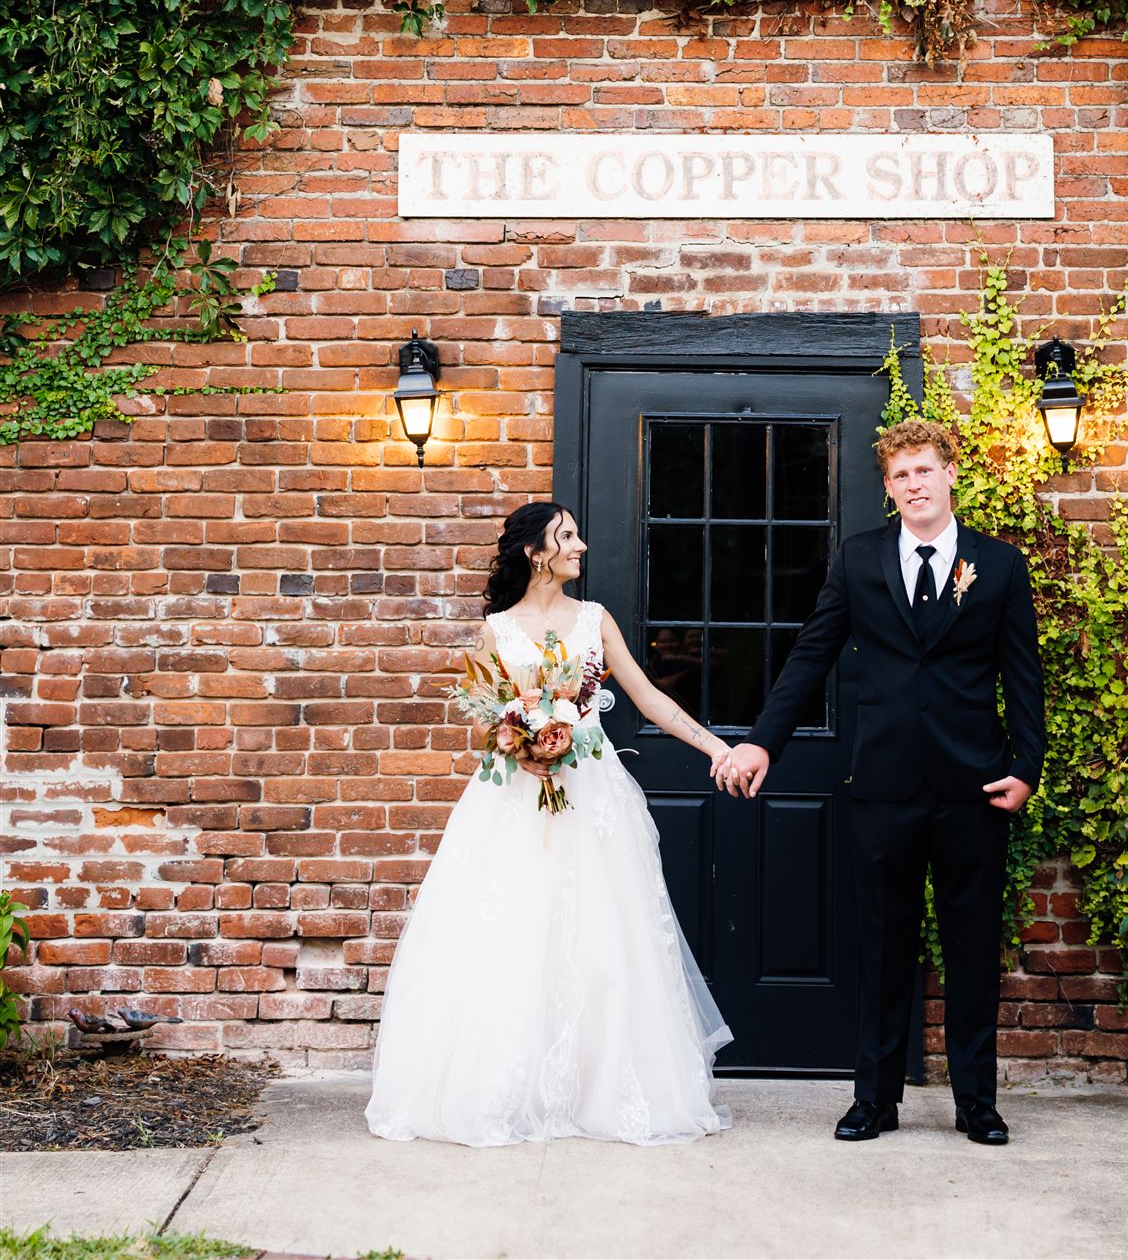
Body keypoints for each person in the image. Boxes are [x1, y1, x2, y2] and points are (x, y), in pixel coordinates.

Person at [365, 501, 734, 1147]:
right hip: (513, 801)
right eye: (567, 536)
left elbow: (647, 697)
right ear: (536, 552)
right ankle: (514, 1088)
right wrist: (519, 744)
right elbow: (481, 717)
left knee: (603, 941)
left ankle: (599, 1086)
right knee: (512, 935)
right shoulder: (496, 630)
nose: (581, 545)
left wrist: (716, 748)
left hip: (591, 797)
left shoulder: (593, 621)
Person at [720, 417, 1045, 1147]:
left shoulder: (997, 565)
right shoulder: (859, 559)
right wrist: (762, 742)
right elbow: (811, 656)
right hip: (882, 786)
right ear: (889, 487)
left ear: (949, 473)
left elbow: (1023, 677)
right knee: (881, 948)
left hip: (974, 787)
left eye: (924, 470)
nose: (913, 484)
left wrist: (1026, 768)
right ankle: (874, 1100)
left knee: (969, 948)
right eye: (900, 475)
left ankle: (976, 1103)